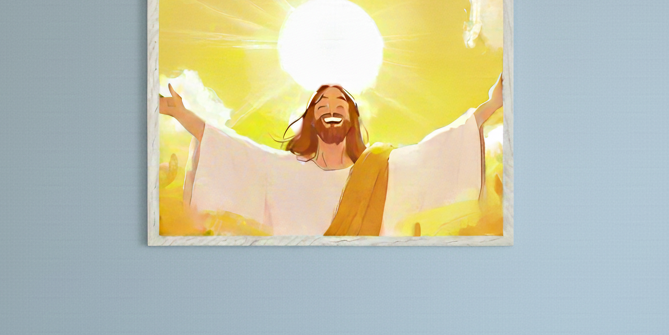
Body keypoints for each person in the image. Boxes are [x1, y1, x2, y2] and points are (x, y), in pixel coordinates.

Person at [159, 76, 503, 236]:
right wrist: (181, 114)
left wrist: (492, 105)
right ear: (311, 119)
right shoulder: (281, 169)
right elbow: (233, 150)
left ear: (352, 119)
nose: (332, 107)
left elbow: (433, 153)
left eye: (341, 104)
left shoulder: (383, 169)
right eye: (322, 104)